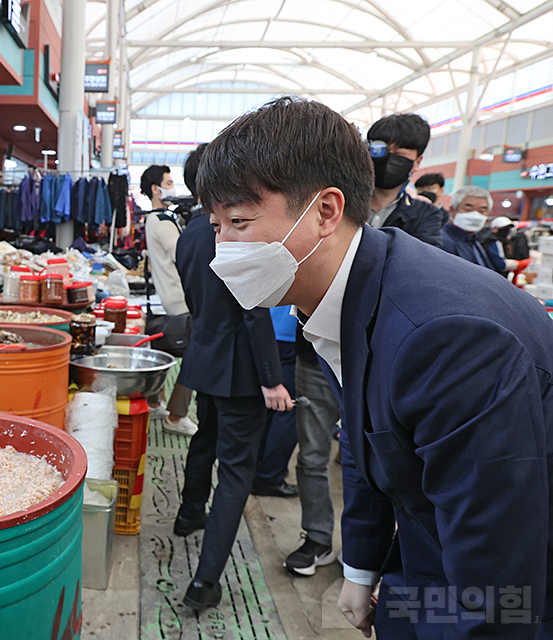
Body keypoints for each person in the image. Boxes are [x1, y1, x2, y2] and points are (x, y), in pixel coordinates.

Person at [199, 95, 553, 639]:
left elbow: (495, 573)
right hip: (423, 541)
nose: (223, 249)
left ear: (325, 211)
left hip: (500, 581)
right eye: (215, 225)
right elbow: (369, 438)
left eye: (240, 221)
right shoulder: (340, 293)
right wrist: (360, 570)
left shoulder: (444, 337)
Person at [172, 143, 291, 611]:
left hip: (204, 358)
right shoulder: (238, 233)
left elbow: (198, 302)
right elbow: (253, 313)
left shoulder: (190, 234)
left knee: (205, 440)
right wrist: (271, 378)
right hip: (241, 369)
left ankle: (186, 514)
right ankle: (205, 581)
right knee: (237, 471)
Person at [140, 165, 196, 436]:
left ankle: (155, 402)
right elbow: (183, 255)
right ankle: (176, 415)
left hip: (167, 299)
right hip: (179, 300)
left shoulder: (158, 219)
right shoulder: (162, 221)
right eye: (168, 182)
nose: (172, 186)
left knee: (162, 354)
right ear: (155, 188)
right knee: (195, 354)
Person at [283, 329, 340, 576]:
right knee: (310, 457)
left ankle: (366, 551)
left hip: (373, 358)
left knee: (373, 461)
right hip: (315, 357)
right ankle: (317, 538)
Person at [366, 113, 443, 247]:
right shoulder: (342, 201)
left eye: (399, 154)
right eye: (382, 151)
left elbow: (423, 259)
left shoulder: (426, 214)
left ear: (417, 162)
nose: (388, 159)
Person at [251, 305, 299, 498]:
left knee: (269, 406)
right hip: (290, 332)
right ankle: (269, 476)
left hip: (267, 329)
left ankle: (257, 469)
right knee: (287, 408)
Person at [440, 185, 494, 268]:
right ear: (452, 210)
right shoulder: (441, 241)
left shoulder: (473, 240)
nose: (475, 216)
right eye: (468, 210)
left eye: (481, 211)